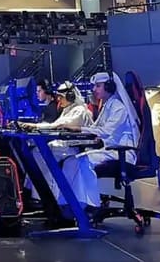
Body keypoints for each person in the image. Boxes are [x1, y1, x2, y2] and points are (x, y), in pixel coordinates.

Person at [42, 71, 140, 216]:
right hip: (109, 150)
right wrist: (76, 131)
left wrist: (79, 128)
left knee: (82, 162)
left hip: (122, 152)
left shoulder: (118, 107)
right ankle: (65, 204)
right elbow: (96, 128)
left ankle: (90, 205)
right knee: (70, 161)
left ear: (109, 87)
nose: (94, 89)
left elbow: (105, 131)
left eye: (98, 86)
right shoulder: (108, 105)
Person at [21, 81, 92, 131]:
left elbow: (58, 125)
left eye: (61, 97)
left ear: (70, 97)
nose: (58, 99)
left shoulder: (79, 110)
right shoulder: (67, 109)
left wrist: (34, 126)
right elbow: (55, 125)